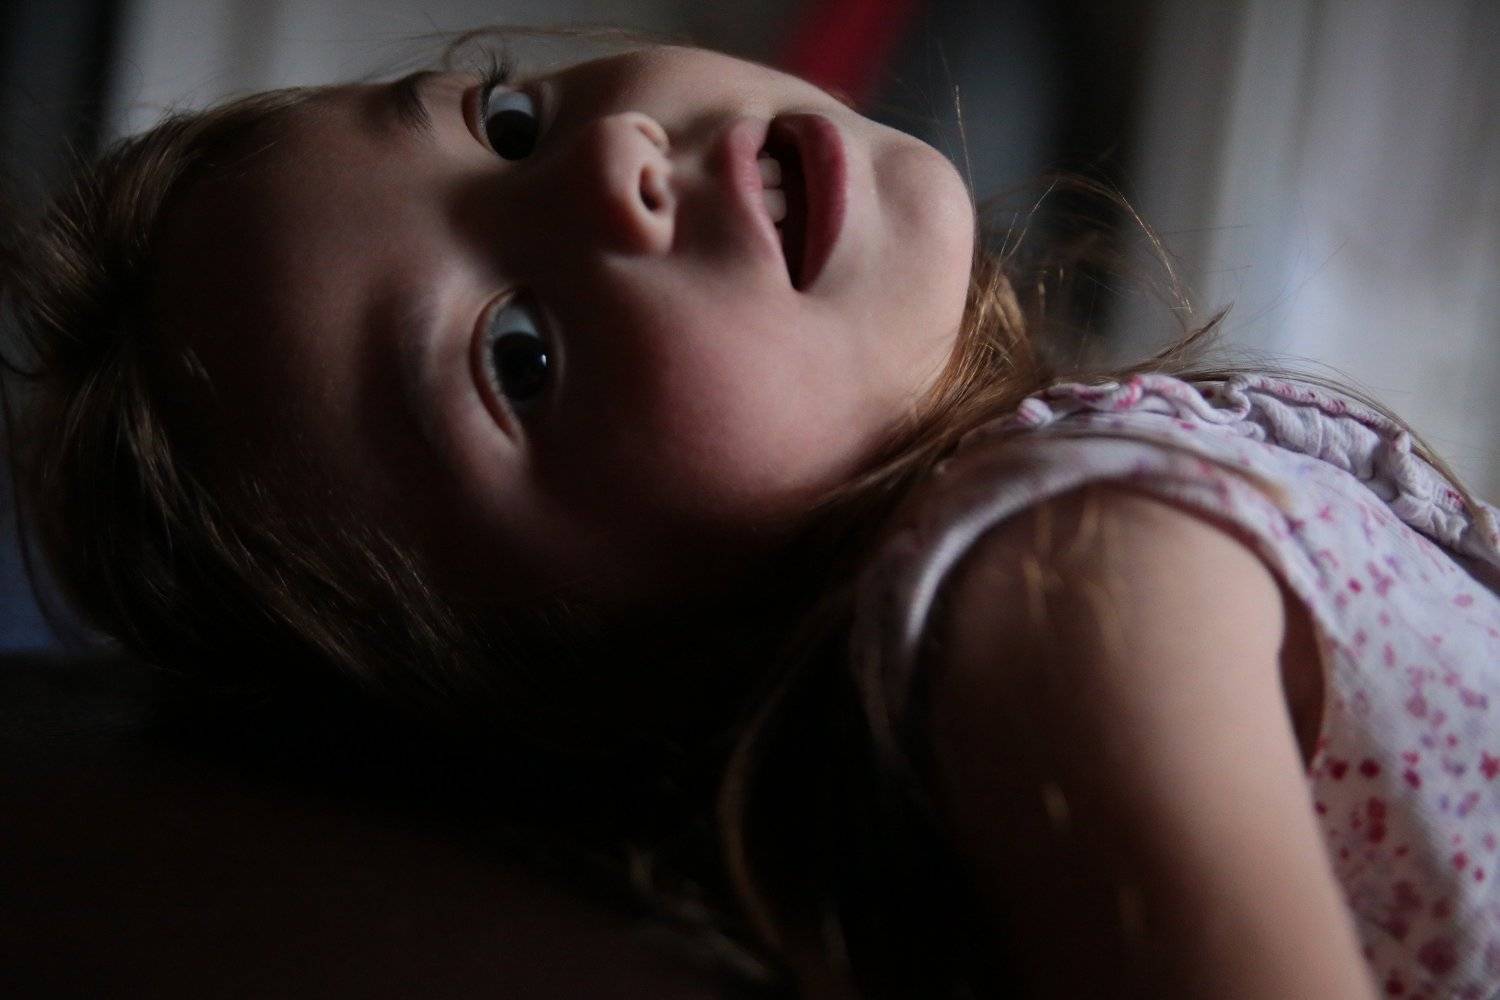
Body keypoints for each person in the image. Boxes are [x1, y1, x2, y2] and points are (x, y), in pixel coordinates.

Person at [4, 29, 1497, 999]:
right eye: (518, 358)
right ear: (581, 676)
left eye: (504, 121)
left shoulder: (1098, 502)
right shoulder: (1077, 595)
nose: (609, 160)